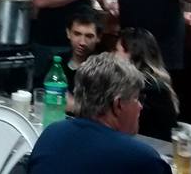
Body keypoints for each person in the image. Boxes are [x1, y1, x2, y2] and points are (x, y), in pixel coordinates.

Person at [27, 53, 170, 174]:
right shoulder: (144, 160)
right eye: (137, 99)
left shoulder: (51, 134)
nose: (140, 106)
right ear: (118, 105)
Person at [115, 27, 179, 140]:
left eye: (116, 50)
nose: (113, 55)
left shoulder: (149, 89)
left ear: (131, 54)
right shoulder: (154, 81)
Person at [36, 9, 102, 85]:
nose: (82, 42)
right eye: (77, 34)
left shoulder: (102, 69)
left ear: (98, 37)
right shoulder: (56, 63)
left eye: (89, 36)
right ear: (68, 33)